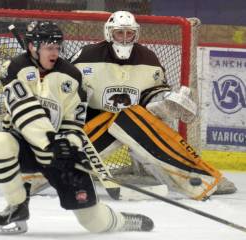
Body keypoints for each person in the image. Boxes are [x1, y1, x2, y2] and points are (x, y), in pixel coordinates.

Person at [0, 20, 154, 235]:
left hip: (57, 154)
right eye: (48, 47)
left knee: (94, 222)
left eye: (57, 47)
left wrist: (69, 146)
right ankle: (17, 206)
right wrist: (49, 142)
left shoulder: (72, 76)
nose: (54, 53)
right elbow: (23, 109)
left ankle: (123, 221)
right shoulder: (13, 68)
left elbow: (74, 123)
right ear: (32, 47)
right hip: (24, 146)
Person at [70, 11, 237, 200]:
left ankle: (200, 177)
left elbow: (152, 93)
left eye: (129, 33)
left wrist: (164, 101)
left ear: (136, 34)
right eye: (119, 33)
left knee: (143, 123)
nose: (124, 38)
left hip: (131, 122)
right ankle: (37, 171)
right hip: (93, 126)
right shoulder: (86, 56)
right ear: (109, 33)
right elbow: (65, 87)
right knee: (57, 164)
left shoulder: (148, 58)